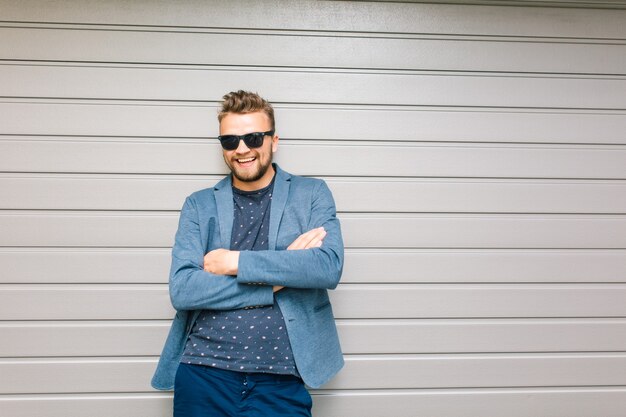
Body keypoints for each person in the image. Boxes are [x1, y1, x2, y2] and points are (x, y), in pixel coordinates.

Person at [151, 90, 345, 417]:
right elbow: (183, 290)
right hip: (203, 373)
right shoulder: (199, 205)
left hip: (281, 378)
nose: (242, 149)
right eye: (230, 141)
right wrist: (278, 279)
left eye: (253, 137)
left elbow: (327, 267)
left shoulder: (312, 194)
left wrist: (233, 261)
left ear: (274, 140)